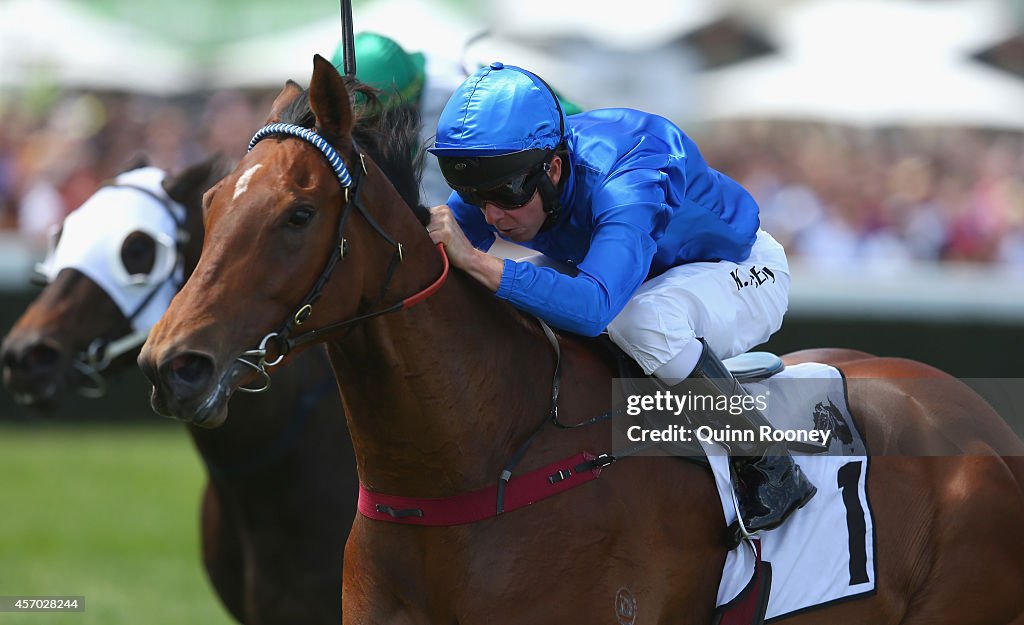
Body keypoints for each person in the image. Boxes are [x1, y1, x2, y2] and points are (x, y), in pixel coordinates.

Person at [425, 62, 816, 535]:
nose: (490, 216)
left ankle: (767, 462)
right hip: (636, 277)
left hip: (740, 270)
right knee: (515, 298)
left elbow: (593, 308)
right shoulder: (510, 167)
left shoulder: (630, 178)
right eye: (473, 195)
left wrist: (480, 263)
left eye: (504, 195)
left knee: (640, 320)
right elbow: (436, 262)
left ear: (552, 167)